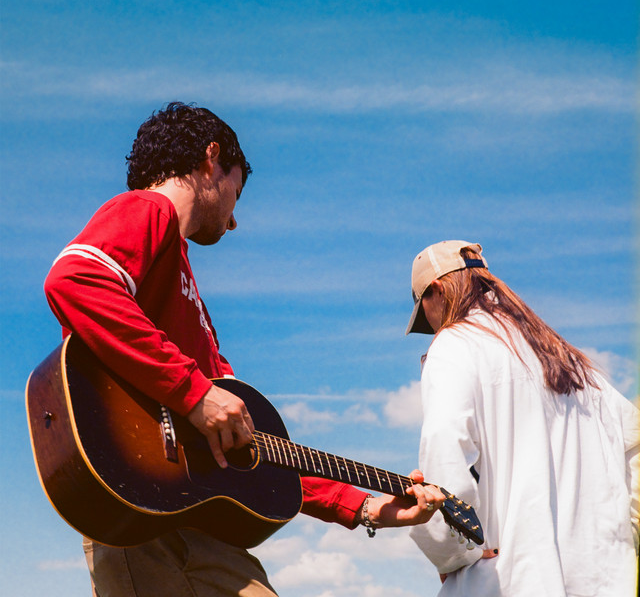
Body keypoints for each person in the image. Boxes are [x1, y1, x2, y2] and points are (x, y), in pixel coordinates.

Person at [43, 101, 445, 597]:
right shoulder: (148, 210)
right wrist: (194, 394)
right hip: (143, 511)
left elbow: (251, 441)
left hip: (199, 522)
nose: (233, 221)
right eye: (236, 190)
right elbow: (76, 279)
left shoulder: (184, 286)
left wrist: (362, 506)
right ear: (212, 159)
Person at [405, 240, 639, 596]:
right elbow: (633, 447)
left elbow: (446, 454)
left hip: (507, 580)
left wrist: (452, 552)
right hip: (600, 581)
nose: (433, 325)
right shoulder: (567, 359)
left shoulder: (454, 345)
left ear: (436, 291)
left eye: (425, 313)